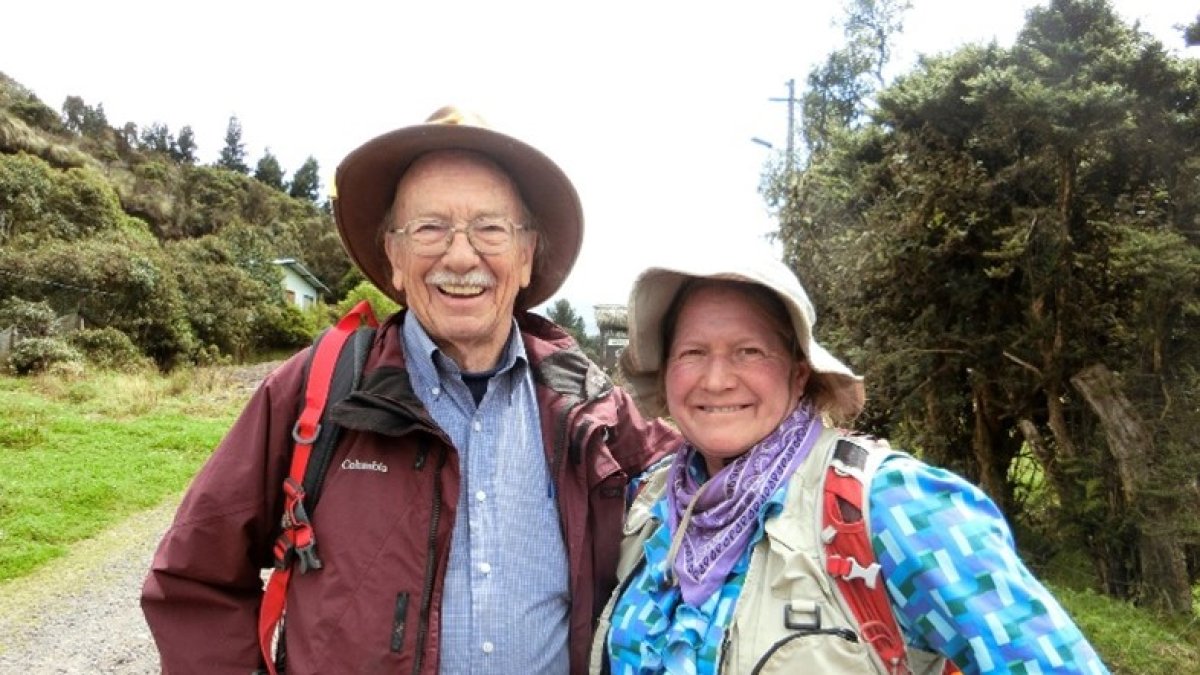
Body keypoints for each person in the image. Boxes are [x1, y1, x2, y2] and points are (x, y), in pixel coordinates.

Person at [141, 106, 678, 675]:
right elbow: (194, 577)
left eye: (490, 228)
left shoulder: (591, 409)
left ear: (526, 258)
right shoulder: (317, 388)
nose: (462, 255)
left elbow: (715, 493)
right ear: (393, 259)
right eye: (430, 228)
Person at [590, 248, 1109, 674]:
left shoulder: (891, 504)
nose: (718, 379)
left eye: (749, 351)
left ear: (798, 375)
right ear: (667, 375)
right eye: (693, 353)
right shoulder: (652, 504)